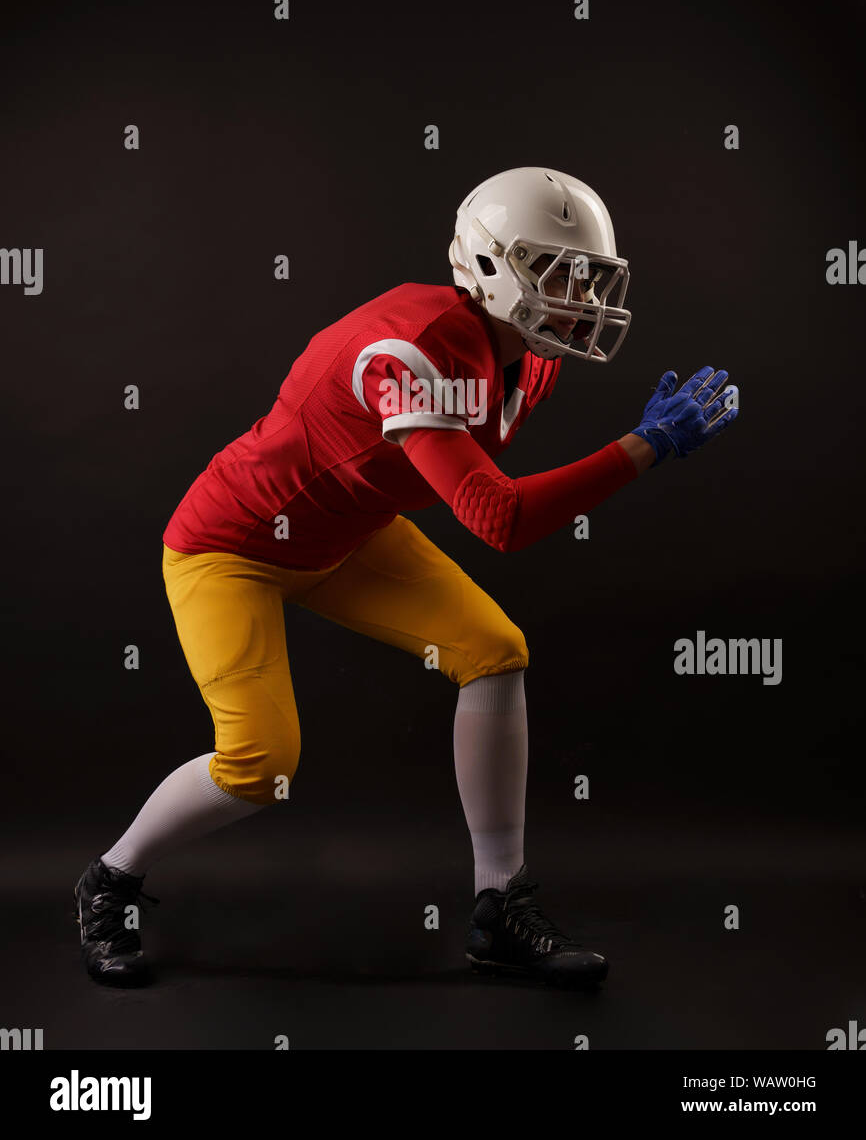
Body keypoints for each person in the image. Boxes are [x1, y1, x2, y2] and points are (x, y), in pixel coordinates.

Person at [73, 165, 738, 990]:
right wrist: (644, 449)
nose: (576, 296)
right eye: (556, 272)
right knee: (259, 760)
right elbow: (501, 519)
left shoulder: (530, 355)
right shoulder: (408, 352)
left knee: (495, 650)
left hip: (344, 535)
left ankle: (499, 909)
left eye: (585, 276)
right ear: (490, 269)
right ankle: (110, 880)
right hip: (232, 547)